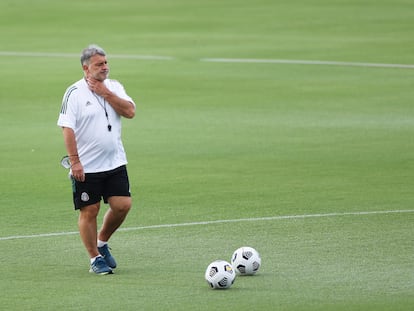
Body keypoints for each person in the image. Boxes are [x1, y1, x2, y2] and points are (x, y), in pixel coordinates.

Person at [57, 44, 136, 275]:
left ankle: (102, 242)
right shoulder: (74, 92)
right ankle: (94, 258)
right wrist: (75, 161)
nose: (105, 67)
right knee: (89, 210)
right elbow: (67, 129)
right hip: (87, 166)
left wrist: (106, 94)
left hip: (115, 162)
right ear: (85, 68)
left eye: (106, 63)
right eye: (99, 64)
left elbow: (130, 112)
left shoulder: (114, 87)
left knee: (123, 205)